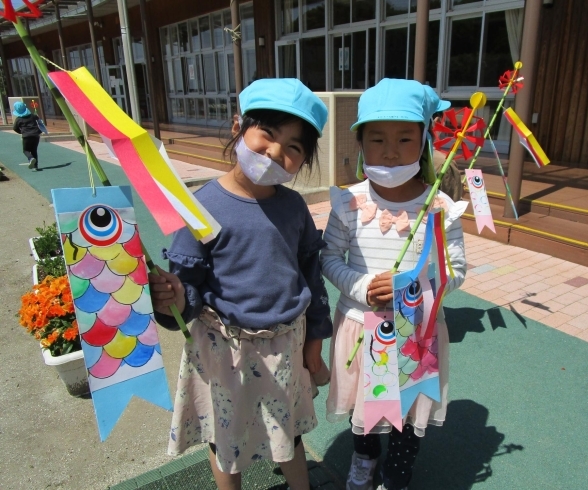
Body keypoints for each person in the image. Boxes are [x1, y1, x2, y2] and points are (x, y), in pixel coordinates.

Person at [149, 78, 333, 490]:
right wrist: (175, 297)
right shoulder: (200, 205)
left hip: (286, 343)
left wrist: (316, 339)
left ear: (302, 163)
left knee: (288, 430)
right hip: (223, 348)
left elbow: (311, 275)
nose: (275, 152)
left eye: (293, 147)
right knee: (225, 436)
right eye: (267, 133)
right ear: (238, 126)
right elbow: (189, 289)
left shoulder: (294, 207)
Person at [321, 78, 468, 490]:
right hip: (359, 327)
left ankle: (397, 473)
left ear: (424, 141)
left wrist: (416, 286)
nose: (390, 150)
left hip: (415, 332)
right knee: (365, 411)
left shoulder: (439, 207)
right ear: (360, 143)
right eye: (376, 138)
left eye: (405, 138)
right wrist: (364, 286)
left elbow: (455, 269)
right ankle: (364, 461)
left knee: (406, 411)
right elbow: (329, 258)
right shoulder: (348, 201)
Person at [12, 101, 42, 171]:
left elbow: (15, 128)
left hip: (26, 136)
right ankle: (35, 166)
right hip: (36, 135)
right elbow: (38, 120)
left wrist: (21, 132)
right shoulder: (32, 116)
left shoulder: (18, 119)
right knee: (34, 150)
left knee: (26, 150)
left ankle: (31, 158)